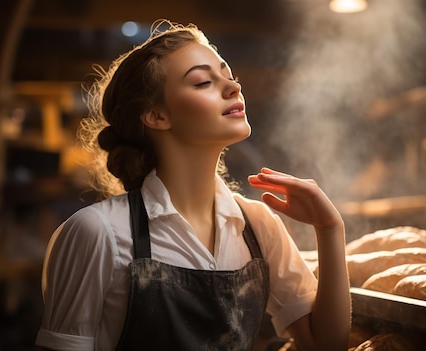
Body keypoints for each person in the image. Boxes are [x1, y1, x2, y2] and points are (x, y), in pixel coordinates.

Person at [35, 20, 350, 351]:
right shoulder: (97, 233)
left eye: (229, 76)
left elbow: (325, 345)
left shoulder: (258, 226)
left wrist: (329, 229)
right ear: (156, 116)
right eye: (203, 82)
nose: (233, 88)